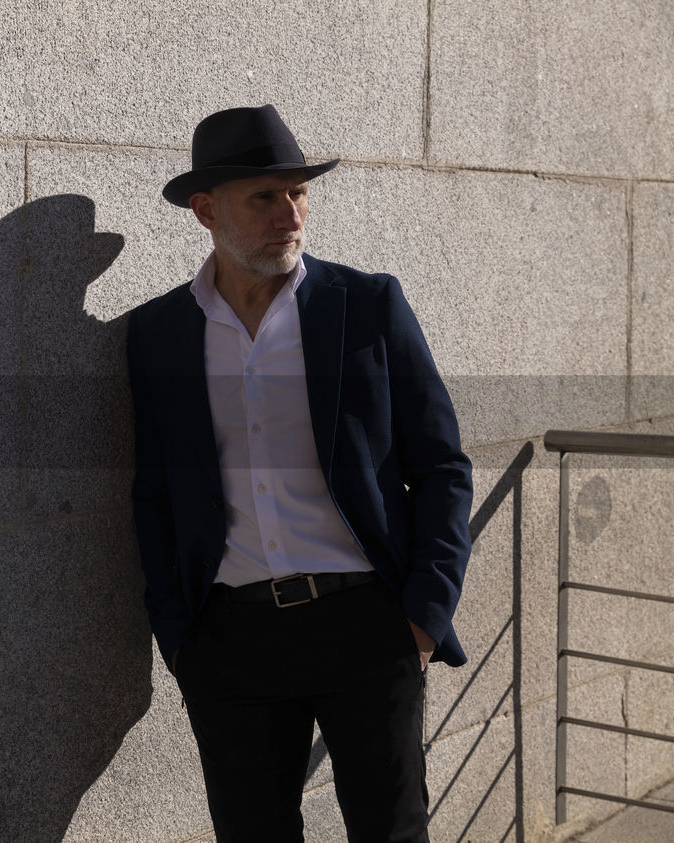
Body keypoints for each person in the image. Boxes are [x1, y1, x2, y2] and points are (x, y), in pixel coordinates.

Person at [126, 105, 473, 842]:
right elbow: (155, 492)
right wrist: (180, 637)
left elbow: (442, 464)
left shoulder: (369, 306)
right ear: (205, 210)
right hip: (231, 641)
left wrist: (423, 616)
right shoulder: (159, 335)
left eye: (299, 193)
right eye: (265, 197)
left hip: (369, 628)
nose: (290, 213)